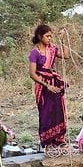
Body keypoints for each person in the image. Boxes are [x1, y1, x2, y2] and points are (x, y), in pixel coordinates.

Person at [28, 24, 68, 154]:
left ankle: (59, 140)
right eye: (47, 36)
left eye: (51, 36)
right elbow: (32, 73)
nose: (50, 38)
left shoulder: (53, 49)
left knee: (58, 111)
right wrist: (47, 85)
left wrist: (63, 41)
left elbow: (66, 56)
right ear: (40, 36)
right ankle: (48, 143)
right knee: (46, 113)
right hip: (42, 85)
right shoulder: (35, 52)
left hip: (53, 82)